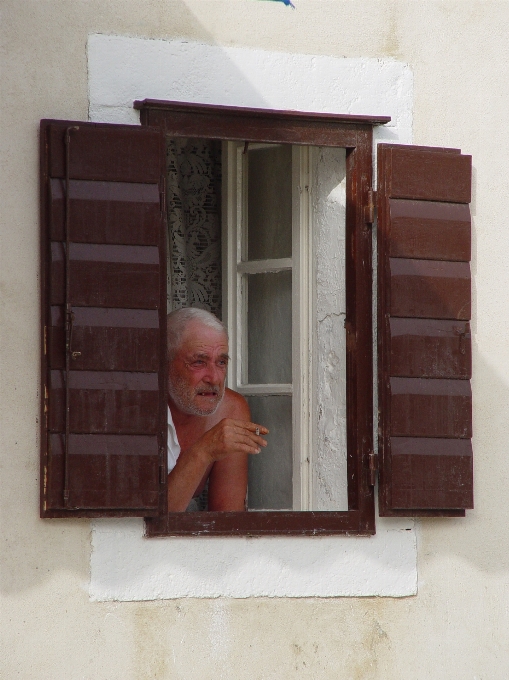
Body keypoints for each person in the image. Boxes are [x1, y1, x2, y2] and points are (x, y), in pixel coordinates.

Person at [166, 307, 268, 512]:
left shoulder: (230, 409)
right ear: (164, 362)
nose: (214, 378)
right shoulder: (136, 406)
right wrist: (203, 451)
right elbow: (147, 522)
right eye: (198, 362)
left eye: (221, 362)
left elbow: (227, 518)